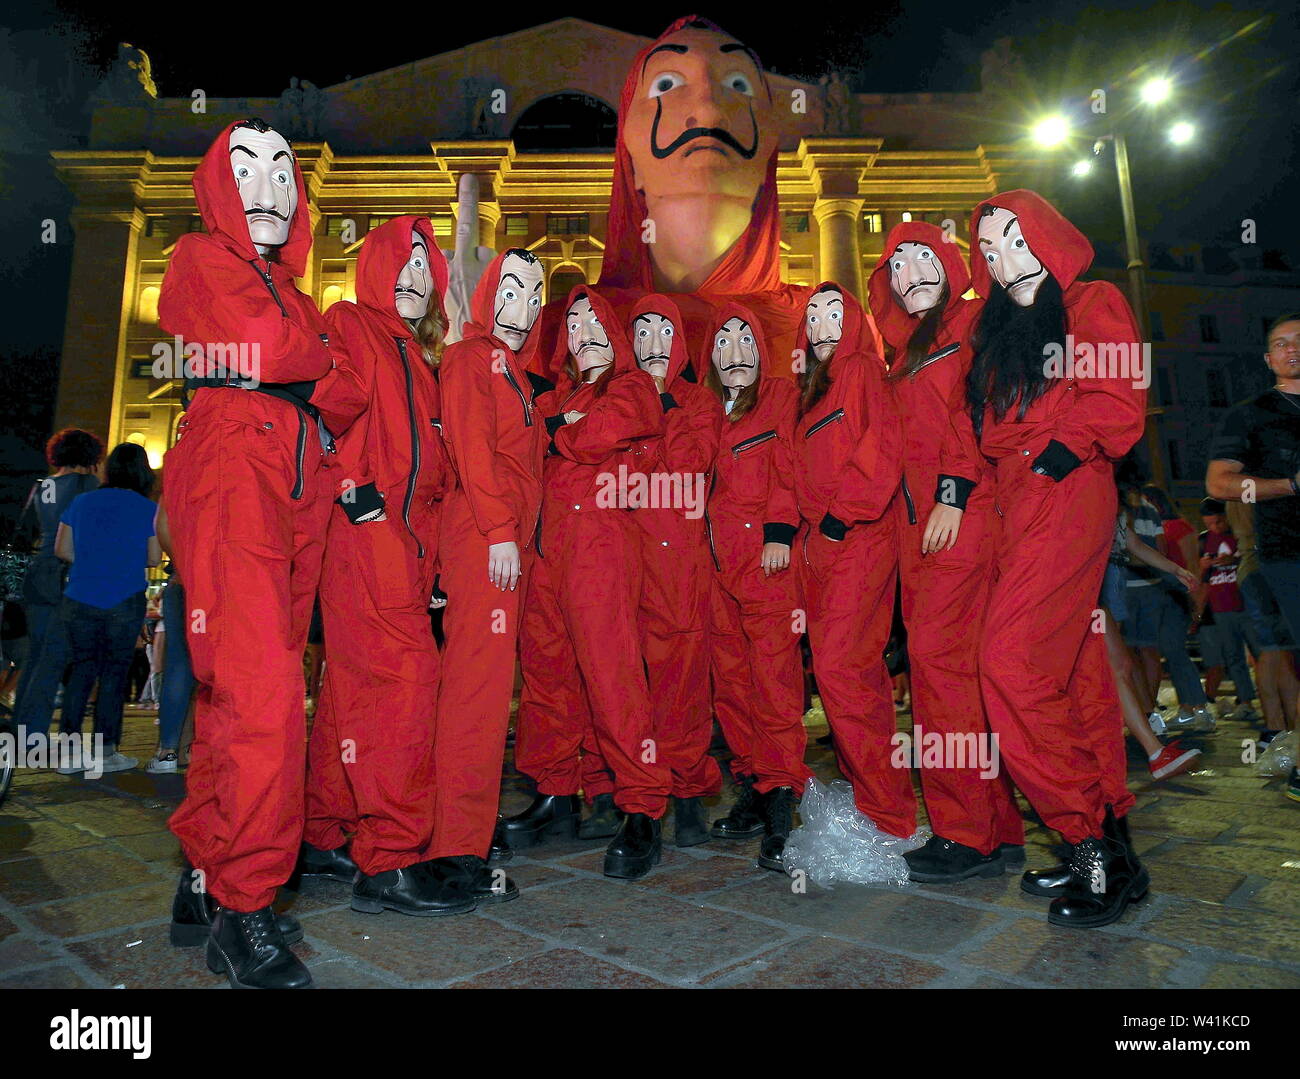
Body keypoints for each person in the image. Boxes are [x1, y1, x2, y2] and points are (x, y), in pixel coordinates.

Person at [158, 118, 365, 989]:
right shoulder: (199, 260)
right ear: (215, 190)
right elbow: (289, 355)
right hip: (237, 465)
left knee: (236, 694)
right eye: (246, 172)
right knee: (265, 693)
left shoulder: (292, 293)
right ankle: (244, 909)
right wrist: (310, 362)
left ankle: (203, 880)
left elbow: (344, 391)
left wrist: (305, 366)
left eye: (286, 173)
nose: (271, 188)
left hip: (294, 477)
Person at [934, 189, 1147, 927]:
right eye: (987, 248)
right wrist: (958, 489)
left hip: (1064, 484)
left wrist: (1062, 453)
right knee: (1065, 672)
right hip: (1007, 498)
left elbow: (1119, 392)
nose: (999, 258)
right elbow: (966, 417)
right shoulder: (991, 324)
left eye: (1013, 240)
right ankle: (1106, 834)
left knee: (1011, 663)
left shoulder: (1091, 302)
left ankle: (1092, 844)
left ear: (1048, 237)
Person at [301, 215, 481, 918]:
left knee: (352, 697)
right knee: (404, 687)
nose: (414, 281)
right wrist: (356, 491)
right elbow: (321, 406)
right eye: (403, 266)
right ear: (376, 269)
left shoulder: (421, 358)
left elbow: (432, 478)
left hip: (403, 552)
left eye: (426, 272)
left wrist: (431, 561)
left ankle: (321, 832)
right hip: (364, 541)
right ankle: (392, 858)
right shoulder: (350, 324)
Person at [868, 220, 1025, 883]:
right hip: (919, 530)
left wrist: (954, 493)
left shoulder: (966, 325)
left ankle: (965, 833)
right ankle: (999, 826)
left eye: (920, 255)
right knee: (958, 674)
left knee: (940, 674)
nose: (909, 271)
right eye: (895, 264)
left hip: (956, 518)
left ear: (950, 262)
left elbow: (973, 411)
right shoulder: (904, 351)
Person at [513, 286, 669, 879]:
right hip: (548, 552)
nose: (581, 331)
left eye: (591, 320)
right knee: (548, 675)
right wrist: (565, 420)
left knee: (613, 676)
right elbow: (543, 442)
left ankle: (641, 804)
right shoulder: (557, 396)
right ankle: (556, 792)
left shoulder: (632, 387)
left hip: (602, 547)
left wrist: (562, 430)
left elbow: (594, 433)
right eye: (570, 323)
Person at [431, 248, 548, 876]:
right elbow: (471, 447)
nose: (523, 305)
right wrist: (501, 532)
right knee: (475, 692)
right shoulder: (470, 357)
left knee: (489, 689)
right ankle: (455, 843)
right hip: (486, 540)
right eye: (512, 287)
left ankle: (468, 827)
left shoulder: (518, 376)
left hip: (507, 543)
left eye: (534, 294)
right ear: (486, 294)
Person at [793, 280, 910, 839]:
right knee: (840, 673)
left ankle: (887, 815)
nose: (820, 323)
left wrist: (840, 521)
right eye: (812, 315)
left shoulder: (861, 371)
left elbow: (881, 445)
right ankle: (869, 798)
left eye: (834, 313)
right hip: (825, 544)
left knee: (845, 670)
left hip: (854, 537)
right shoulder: (816, 389)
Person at [702, 302, 810, 870]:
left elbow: (789, 469)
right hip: (714, 568)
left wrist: (778, 532)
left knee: (774, 685)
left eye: (747, 341)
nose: (737, 354)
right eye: (725, 342)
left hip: (766, 562)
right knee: (733, 684)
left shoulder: (779, 400)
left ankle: (782, 804)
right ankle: (753, 785)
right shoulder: (704, 411)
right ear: (711, 356)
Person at [627, 294, 723, 847]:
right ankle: (632, 791)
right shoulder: (617, 398)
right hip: (625, 559)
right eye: (642, 332)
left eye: (665, 331)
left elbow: (688, 465)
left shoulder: (698, 402)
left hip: (680, 561)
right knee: (627, 683)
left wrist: (651, 419)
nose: (654, 343)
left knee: (682, 682)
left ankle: (687, 789)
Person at [1206, 312, 1300, 804]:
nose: (1292, 349)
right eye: (1281, 344)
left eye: (1299, 341)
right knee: (1281, 653)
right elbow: (1220, 484)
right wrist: (1289, 485)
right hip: (1281, 557)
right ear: (1268, 359)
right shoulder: (1250, 415)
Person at [51, 442, 160, 775]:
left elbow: (62, 549)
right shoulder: (145, 508)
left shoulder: (82, 502)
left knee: (81, 672)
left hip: (80, 596)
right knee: (114, 675)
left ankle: (68, 754)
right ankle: (106, 752)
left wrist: (93, 561)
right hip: (123, 599)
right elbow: (154, 558)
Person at [12, 428, 102, 746]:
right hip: (65, 575)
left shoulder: (43, 485)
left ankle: (20, 727)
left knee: (35, 657)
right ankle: (32, 735)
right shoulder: (87, 485)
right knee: (53, 658)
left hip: (36, 575)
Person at [1100, 500, 1202, 780]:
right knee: (1115, 666)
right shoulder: (1083, 487)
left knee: (1117, 666)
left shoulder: (1108, 495)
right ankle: (1147, 750)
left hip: (1103, 580)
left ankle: (1153, 751)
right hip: (1087, 581)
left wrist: (1175, 569)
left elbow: (1133, 543)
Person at [1120, 482, 1213, 732]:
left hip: (1142, 587)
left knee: (1138, 653)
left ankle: (1152, 712)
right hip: (1161, 587)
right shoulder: (1154, 513)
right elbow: (1159, 550)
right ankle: (1156, 711)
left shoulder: (1121, 506)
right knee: (1155, 651)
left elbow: (1136, 547)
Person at [1226, 499, 1298, 746]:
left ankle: (1277, 727)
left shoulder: (1239, 487)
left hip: (1251, 566)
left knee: (1275, 649)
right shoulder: (1266, 483)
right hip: (1271, 566)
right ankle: (1285, 726)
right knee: (1284, 649)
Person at [1195, 497, 1259, 720]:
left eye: (1218, 523)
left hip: (1246, 604)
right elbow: (1201, 579)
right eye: (1209, 524)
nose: (1214, 528)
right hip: (1221, 607)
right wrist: (1202, 568)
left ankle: (1274, 697)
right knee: (1233, 657)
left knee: (1262, 654)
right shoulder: (1204, 540)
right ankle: (1246, 700)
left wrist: (1234, 560)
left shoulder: (1241, 534)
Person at [144, 506, 194, 775]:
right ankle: (191, 748)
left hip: (184, 581)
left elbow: (163, 524)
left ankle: (168, 751)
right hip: (225, 581)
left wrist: (182, 564)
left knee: (178, 667)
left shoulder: (184, 472)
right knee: (211, 670)